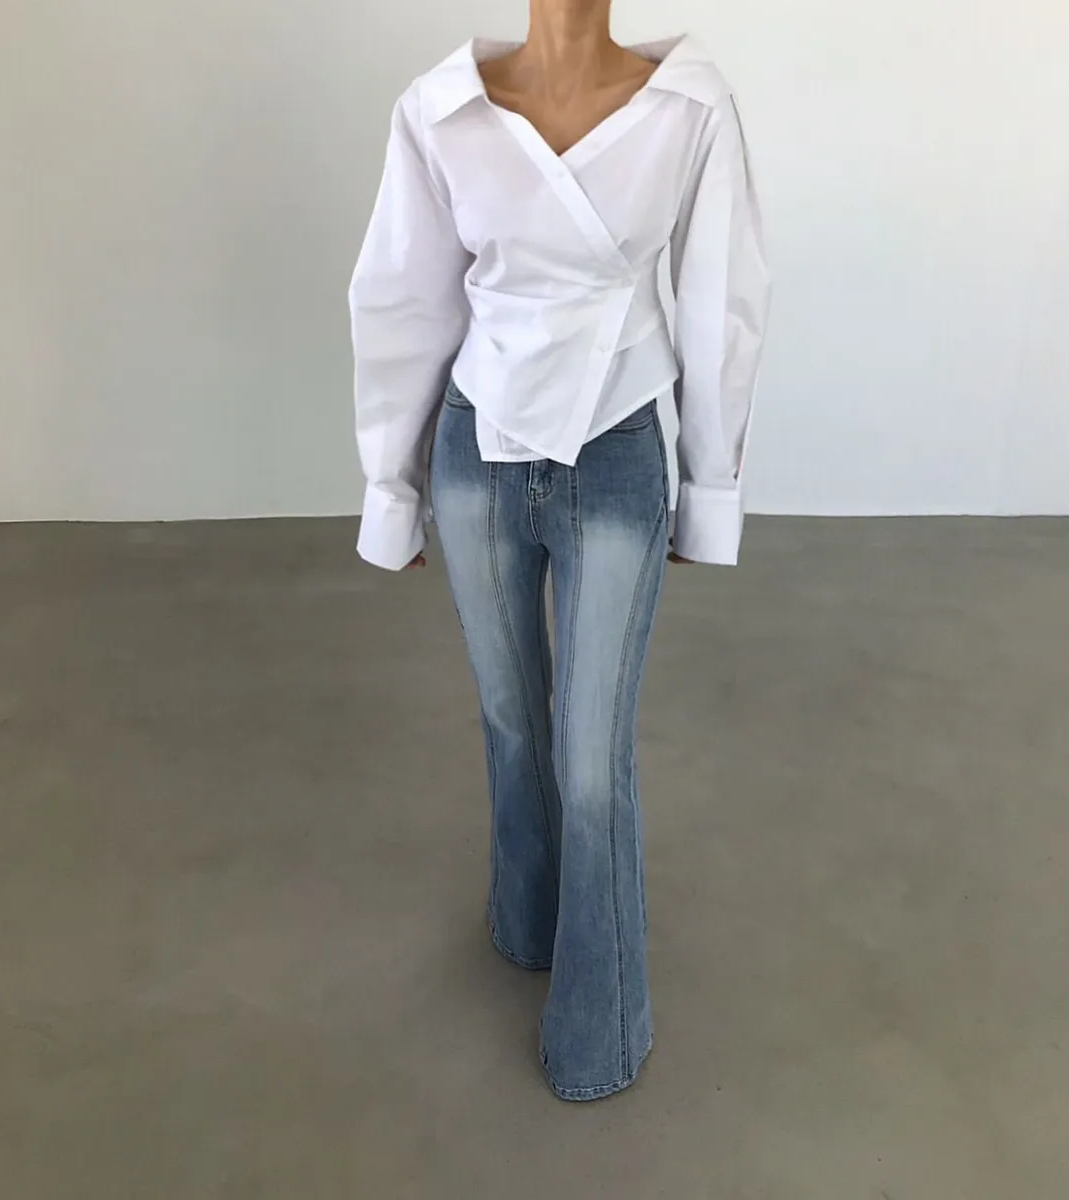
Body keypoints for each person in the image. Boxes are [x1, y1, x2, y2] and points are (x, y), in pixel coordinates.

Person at [349, 0, 770, 1101]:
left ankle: (600, 1026)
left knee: (592, 757)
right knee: (510, 716)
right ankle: (527, 915)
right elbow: (402, 298)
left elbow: (722, 296)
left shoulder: (689, 108)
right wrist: (391, 486)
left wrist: (710, 488)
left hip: (616, 447)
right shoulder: (441, 109)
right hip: (476, 451)